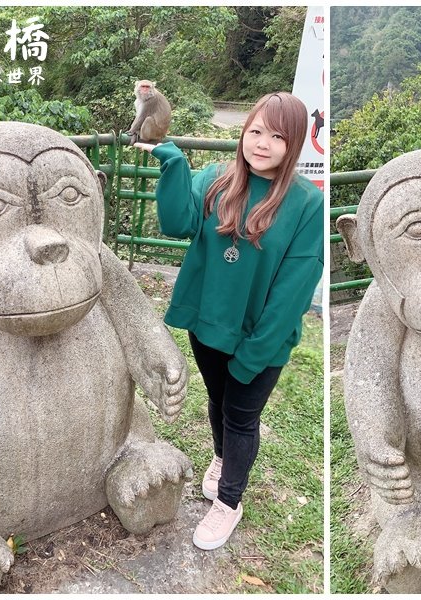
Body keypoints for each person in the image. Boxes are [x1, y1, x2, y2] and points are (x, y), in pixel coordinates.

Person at [135, 91, 324, 550]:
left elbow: (292, 290)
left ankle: (228, 503)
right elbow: (177, 222)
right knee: (218, 403)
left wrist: (254, 353)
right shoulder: (216, 179)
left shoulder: (305, 203)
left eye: (277, 136)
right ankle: (220, 459)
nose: (262, 143)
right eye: (256, 131)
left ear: (293, 143)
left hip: (260, 338)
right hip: (208, 325)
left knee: (242, 417)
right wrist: (173, 163)